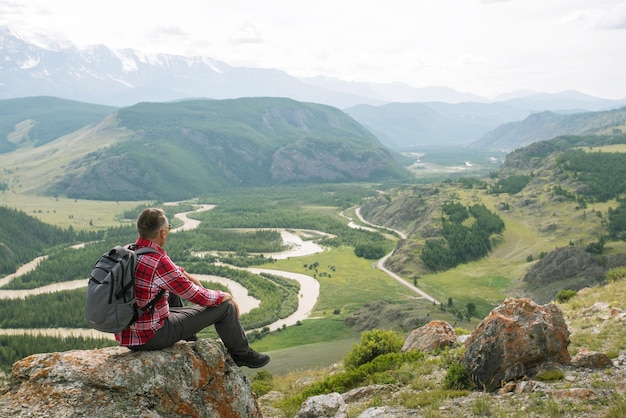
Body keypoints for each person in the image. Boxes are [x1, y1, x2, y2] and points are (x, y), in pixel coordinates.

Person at [115, 207, 270, 368]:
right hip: (152, 336)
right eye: (168, 228)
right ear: (163, 232)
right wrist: (225, 296)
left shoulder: (129, 251)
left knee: (168, 291)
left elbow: (172, 274)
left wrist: (187, 275)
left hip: (128, 334)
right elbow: (199, 297)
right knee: (226, 308)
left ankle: (188, 340)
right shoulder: (158, 261)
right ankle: (242, 354)